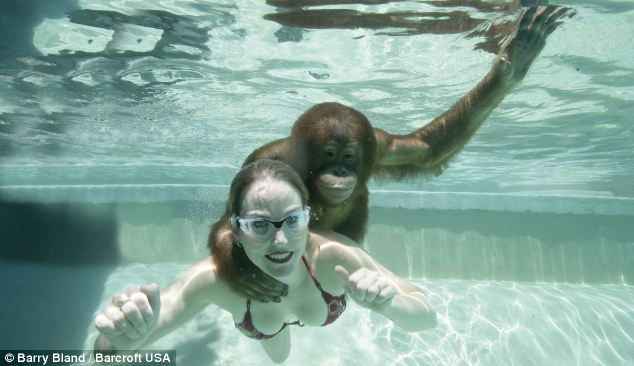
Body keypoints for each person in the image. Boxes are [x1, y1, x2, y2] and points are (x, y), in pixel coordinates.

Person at [94, 159, 436, 363]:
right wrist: (125, 338)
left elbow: (426, 317)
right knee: (280, 356)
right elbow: (104, 352)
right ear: (237, 231)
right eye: (259, 225)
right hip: (264, 326)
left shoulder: (335, 258)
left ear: (308, 217)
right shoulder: (214, 279)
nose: (281, 240)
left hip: (282, 311)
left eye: (292, 220)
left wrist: (389, 303)